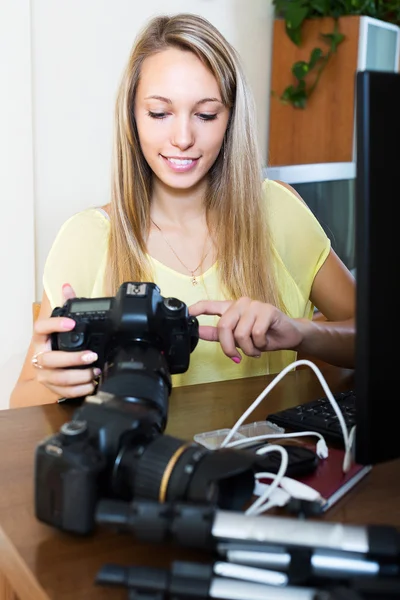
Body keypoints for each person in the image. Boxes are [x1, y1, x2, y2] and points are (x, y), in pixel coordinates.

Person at [10, 13, 355, 409]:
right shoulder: (86, 238)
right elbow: (19, 402)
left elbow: (376, 334)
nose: (183, 138)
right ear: (132, 118)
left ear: (231, 120)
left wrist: (300, 332)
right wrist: (58, 379)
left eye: (206, 114)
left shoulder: (278, 210)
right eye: (159, 114)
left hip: (271, 464)